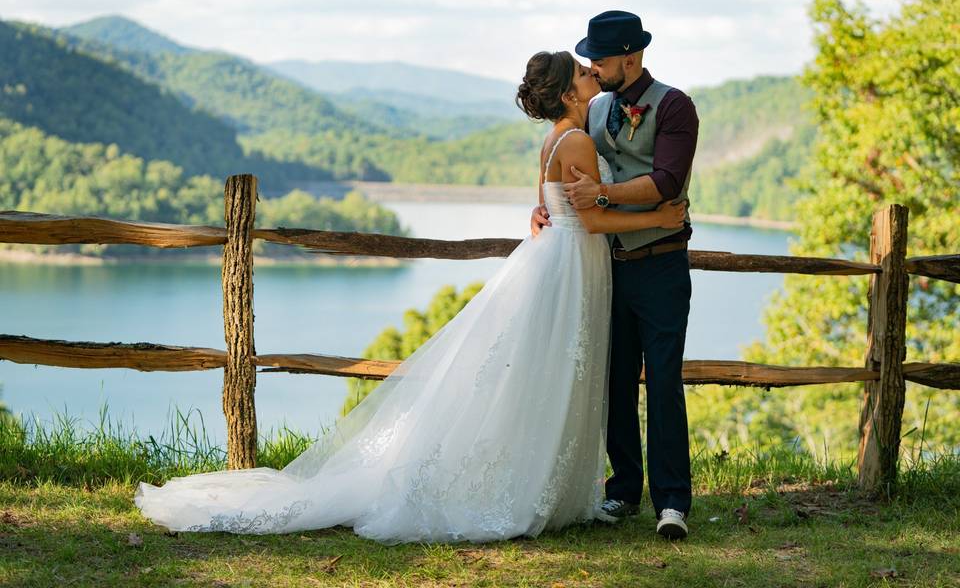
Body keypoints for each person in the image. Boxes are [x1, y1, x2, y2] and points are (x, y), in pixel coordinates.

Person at [134, 51, 686, 544]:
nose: (593, 74)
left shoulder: (554, 139)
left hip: (564, 260)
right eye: (584, 72)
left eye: (595, 68)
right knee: (557, 369)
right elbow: (588, 218)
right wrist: (662, 215)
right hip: (573, 259)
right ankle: (535, 486)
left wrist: (557, 212)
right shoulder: (580, 139)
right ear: (569, 93)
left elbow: (552, 203)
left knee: (550, 370)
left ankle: (555, 483)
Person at [531, 10, 698, 540]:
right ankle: (623, 490)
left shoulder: (675, 106)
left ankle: (672, 503)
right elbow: (563, 169)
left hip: (660, 264)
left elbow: (666, 182)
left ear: (631, 55)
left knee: (665, 382)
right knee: (615, 381)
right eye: (590, 62)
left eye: (600, 60)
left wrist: (602, 196)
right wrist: (545, 208)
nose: (593, 68)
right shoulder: (594, 107)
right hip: (606, 268)